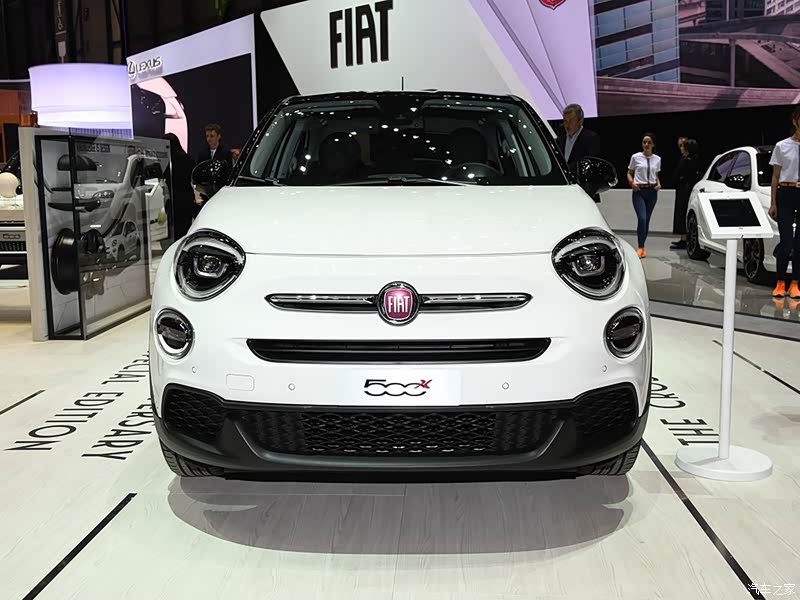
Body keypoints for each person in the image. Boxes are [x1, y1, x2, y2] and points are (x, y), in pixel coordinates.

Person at [768, 105, 800, 299]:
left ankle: (795, 283)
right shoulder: (782, 146)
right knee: (786, 243)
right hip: (786, 192)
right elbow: (775, 176)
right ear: (795, 121)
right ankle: (780, 282)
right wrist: (773, 203)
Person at [556, 103, 602, 202]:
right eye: (565, 121)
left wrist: (567, 170)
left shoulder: (591, 138)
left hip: (584, 192)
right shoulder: (559, 141)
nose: (567, 125)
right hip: (563, 192)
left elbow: (590, 164)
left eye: (571, 120)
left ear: (580, 121)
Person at [627, 133, 662, 258]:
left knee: (646, 220)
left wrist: (659, 184)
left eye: (649, 142)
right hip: (639, 191)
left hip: (652, 192)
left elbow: (656, 175)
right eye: (644, 142)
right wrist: (632, 183)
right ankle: (640, 246)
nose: (646, 144)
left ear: (653, 144)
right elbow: (629, 173)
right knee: (642, 218)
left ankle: (642, 247)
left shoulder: (657, 159)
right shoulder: (635, 157)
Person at [670, 138, 703, 250]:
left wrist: (675, 181)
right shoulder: (696, 160)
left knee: (682, 213)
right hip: (690, 189)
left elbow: (678, 173)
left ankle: (684, 239)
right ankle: (685, 238)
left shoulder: (686, 160)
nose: (682, 148)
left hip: (684, 190)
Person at [164, 133, 197, 240]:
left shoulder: (167, 163)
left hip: (173, 200)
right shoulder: (188, 159)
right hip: (186, 199)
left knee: (174, 232)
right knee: (184, 231)